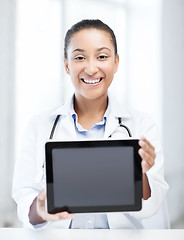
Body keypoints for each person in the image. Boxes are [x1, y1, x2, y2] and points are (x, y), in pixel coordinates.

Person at [12, 19, 169, 229]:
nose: (92, 68)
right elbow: (24, 198)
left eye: (102, 56)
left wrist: (139, 175)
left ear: (116, 62)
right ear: (67, 65)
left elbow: (152, 206)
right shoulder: (38, 126)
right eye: (79, 57)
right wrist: (40, 210)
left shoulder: (143, 126)